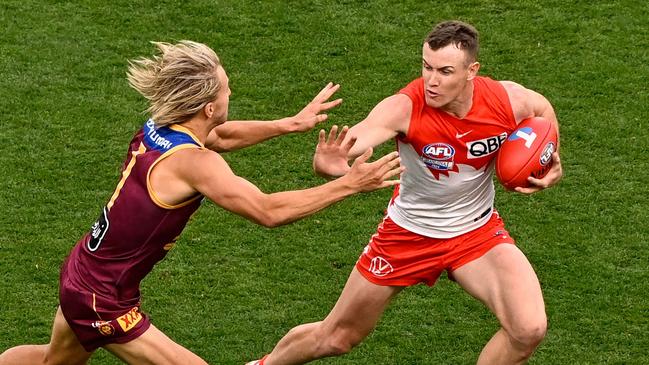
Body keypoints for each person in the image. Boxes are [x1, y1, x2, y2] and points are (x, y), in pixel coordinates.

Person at [0, 40, 403, 365]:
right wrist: (348, 184)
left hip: (83, 271)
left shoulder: (162, 126)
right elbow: (267, 211)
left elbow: (222, 137)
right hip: (103, 300)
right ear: (210, 107)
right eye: (226, 88)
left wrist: (288, 125)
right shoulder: (194, 163)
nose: (231, 92)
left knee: (54, 362)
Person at [247, 20, 563, 365]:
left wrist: (550, 160)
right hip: (407, 235)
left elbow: (542, 112)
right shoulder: (404, 107)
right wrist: (330, 163)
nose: (432, 80)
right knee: (336, 337)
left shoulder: (509, 101)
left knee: (528, 329)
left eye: (444, 71)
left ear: (472, 71)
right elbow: (354, 144)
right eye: (427, 67)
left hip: (477, 233)